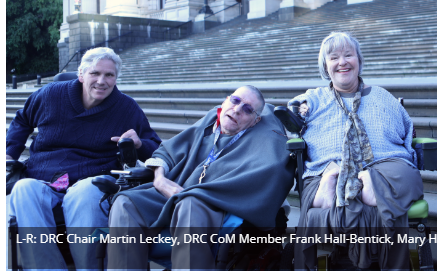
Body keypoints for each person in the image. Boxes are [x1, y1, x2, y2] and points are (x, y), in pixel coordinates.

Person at [106, 85, 295, 270]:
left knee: (190, 204)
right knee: (125, 203)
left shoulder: (263, 139)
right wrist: (159, 178)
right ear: (226, 101)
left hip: (213, 201)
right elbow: (167, 152)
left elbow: (271, 172)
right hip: (174, 192)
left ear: (255, 121)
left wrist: (194, 194)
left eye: (247, 109)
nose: (237, 110)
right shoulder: (208, 124)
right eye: (235, 101)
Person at [6, 47, 161, 270]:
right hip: (43, 175)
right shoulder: (51, 94)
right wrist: (9, 153)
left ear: (116, 78)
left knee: (85, 192)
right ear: (81, 74)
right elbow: (22, 120)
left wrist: (138, 143)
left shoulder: (126, 108)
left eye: (109, 75)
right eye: (95, 73)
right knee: (23, 189)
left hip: (91, 178)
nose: (102, 81)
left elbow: (155, 147)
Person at [291, 32, 423, 270]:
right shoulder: (314, 98)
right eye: (334, 57)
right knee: (393, 182)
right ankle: (338, 183)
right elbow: (292, 114)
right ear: (325, 66)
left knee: (404, 172)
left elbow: (405, 131)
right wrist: (298, 108)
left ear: (359, 61)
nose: (342, 62)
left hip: (384, 164)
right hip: (328, 165)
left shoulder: (383, 96)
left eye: (348, 55)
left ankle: (371, 181)